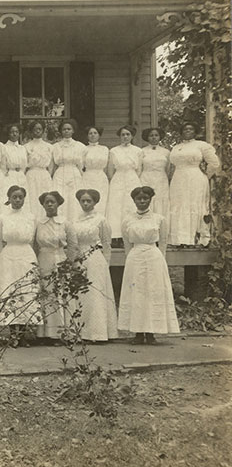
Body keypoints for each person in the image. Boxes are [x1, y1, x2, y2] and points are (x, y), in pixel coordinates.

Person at [118, 186, 180, 344]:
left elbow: (163, 242)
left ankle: (152, 333)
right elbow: (126, 243)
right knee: (137, 294)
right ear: (134, 200)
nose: (142, 201)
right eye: (139, 198)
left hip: (154, 257)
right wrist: (130, 259)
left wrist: (161, 261)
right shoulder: (127, 219)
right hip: (135, 257)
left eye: (145, 198)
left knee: (153, 293)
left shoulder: (159, 219)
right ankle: (138, 333)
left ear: (150, 199)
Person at [0, 186, 41, 347]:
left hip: (26, 256)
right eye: (14, 197)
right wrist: (5, 255)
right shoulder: (2, 218)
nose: (18, 200)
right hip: (8, 257)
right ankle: (13, 334)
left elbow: (34, 240)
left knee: (27, 291)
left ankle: (23, 335)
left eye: (21, 197)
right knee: (11, 292)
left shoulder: (31, 217)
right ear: (9, 198)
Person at [72, 189, 118, 342]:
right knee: (81, 295)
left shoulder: (101, 220)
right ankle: (81, 332)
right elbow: (73, 242)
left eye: (88, 201)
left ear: (95, 202)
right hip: (80, 258)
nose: (85, 203)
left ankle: (98, 333)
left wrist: (106, 264)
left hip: (96, 259)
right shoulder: (75, 220)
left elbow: (106, 243)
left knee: (95, 294)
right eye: (83, 201)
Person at [34, 191, 77, 343]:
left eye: (53, 202)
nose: (50, 204)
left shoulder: (65, 222)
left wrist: (69, 264)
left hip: (60, 259)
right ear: (43, 205)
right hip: (43, 260)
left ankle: (63, 332)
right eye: (47, 202)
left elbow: (73, 245)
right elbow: (34, 245)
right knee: (46, 294)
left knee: (60, 294)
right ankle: (45, 334)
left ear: (58, 204)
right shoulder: (38, 223)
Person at [168, 122, 220, 246]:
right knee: (179, 205)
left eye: (191, 128)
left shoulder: (201, 145)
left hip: (195, 178)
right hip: (178, 179)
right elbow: (172, 165)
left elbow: (214, 163)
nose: (188, 131)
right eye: (185, 129)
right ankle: (179, 239)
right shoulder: (176, 147)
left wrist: (205, 175)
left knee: (194, 204)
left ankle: (196, 238)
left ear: (195, 131)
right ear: (181, 132)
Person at [107, 125, 143, 241]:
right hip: (118, 179)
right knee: (116, 206)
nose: (125, 137)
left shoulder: (138, 151)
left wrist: (131, 178)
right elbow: (110, 171)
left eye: (128, 134)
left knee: (130, 205)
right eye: (123, 135)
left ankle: (131, 234)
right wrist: (117, 179)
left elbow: (139, 170)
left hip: (132, 178)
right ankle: (116, 236)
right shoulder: (113, 151)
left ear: (132, 136)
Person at [51, 120, 86, 223]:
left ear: (73, 131)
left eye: (69, 129)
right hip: (60, 173)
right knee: (61, 196)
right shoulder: (55, 147)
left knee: (73, 198)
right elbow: (53, 164)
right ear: (61, 131)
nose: (66, 131)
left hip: (74, 173)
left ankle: (75, 223)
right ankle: (60, 222)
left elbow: (81, 164)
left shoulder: (80, 146)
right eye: (64, 129)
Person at [139, 127, 170, 227]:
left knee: (161, 201)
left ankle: (161, 228)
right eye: (151, 135)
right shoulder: (142, 151)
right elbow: (139, 167)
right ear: (147, 138)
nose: (154, 138)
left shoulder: (166, 152)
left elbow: (168, 169)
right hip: (146, 178)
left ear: (160, 137)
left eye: (156, 135)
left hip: (161, 179)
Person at [24, 120, 54, 221]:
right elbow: (25, 165)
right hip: (31, 175)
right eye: (35, 129)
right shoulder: (26, 147)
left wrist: (48, 175)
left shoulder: (49, 147)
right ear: (31, 131)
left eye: (39, 129)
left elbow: (51, 166)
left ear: (43, 131)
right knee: (33, 198)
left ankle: (46, 221)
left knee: (45, 197)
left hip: (44, 175)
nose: (37, 131)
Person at [81, 126, 110, 215]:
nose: (93, 135)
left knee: (102, 200)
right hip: (88, 176)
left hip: (101, 177)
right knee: (88, 198)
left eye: (95, 133)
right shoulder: (83, 149)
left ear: (99, 135)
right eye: (90, 133)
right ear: (87, 136)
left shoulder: (105, 149)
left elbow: (107, 166)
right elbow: (80, 165)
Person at [2, 123, 28, 202]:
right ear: (8, 134)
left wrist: (21, 173)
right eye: (12, 132)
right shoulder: (4, 147)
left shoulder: (22, 148)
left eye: (16, 132)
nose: (14, 134)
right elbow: (3, 165)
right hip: (10, 175)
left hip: (21, 175)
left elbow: (24, 165)